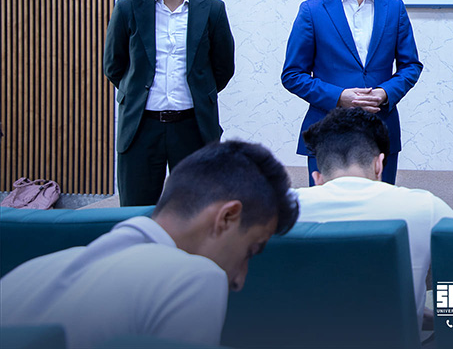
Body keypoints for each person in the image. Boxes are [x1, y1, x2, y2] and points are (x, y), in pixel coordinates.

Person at [0, 140, 299, 348]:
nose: (239, 279)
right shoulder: (196, 279)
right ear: (227, 217)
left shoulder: (28, 275)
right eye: (250, 251)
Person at [103, 0, 235, 206]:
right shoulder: (127, 8)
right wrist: (136, 93)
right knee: (136, 210)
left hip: (193, 126)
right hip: (141, 127)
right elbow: (114, 66)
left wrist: (199, 93)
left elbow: (223, 68)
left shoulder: (211, 9)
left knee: (197, 209)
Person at [281, 0, 422, 186]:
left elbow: (411, 66)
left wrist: (385, 92)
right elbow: (292, 75)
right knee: (328, 209)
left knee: (381, 208)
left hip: (380, 131)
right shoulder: (312, 10)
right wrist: (339, 97)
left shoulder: (394, 8)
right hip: (328, 132)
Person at [296, 107, 453, 328]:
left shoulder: (280, 209)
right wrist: (422, 315)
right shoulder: (426, 207)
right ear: (379, 164)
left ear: (317, 178)